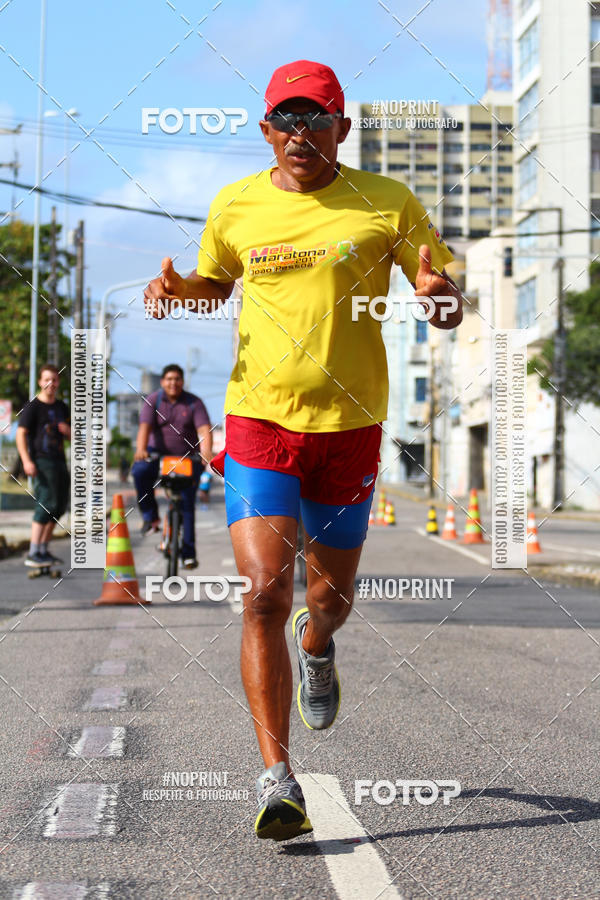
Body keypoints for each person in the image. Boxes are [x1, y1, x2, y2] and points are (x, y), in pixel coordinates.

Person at [144, 60, 462, 841]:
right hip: (258, 422)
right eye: (285, 121)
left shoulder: (387, 202)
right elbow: (215, 286)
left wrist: (440, 298)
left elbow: (447, 301)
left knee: (327, 602)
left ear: (341, 129)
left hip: (349, 429)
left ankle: (318, 648)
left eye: (315, 119)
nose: (300, 134)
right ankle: (276, 778)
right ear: (265, 130)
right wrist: (177, 289)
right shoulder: (236, 205)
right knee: (262, 592)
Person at [131, 364, 213, 568]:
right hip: (157, 457)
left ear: (182, 382)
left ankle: (188, 554)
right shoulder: (154, 400)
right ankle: (151, 518)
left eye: (177, 379)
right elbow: (144, 428)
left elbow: (204, 429)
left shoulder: (194, 402)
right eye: (169, 379)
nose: (173, 383)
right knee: (140, 471)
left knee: (187, 503)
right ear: (162, 381)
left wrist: (207, 452)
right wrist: (140, 450)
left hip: (187, 459)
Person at [16, 363, 71, 567]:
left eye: (54, 380)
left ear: (58, 382)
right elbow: (20, 434)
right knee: (46, 503)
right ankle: (32, 552)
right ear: (40, 381)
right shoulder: (33, 407)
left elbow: (74, 436)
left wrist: (68, 431)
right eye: (47, 379)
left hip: (59, 461)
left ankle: (42, 550)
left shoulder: (61, 407)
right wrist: (27, 461)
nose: (51, 383)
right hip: (41, 460)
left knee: (59, 506)